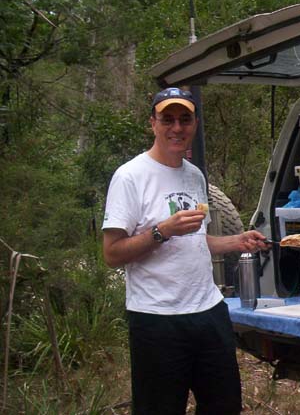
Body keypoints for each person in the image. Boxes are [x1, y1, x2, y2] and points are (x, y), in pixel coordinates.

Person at [101, 87, 269, 415]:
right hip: (157, 319)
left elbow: (193, 242)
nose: (176, 128)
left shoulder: (194, 175)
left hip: (208, 311)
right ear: (153, 123)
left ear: (194, 124)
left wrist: (235, 242)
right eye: (168, 119)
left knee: (224, 406)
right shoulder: (130, 177)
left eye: (184, 119)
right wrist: (162, 230)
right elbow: (112, 253)